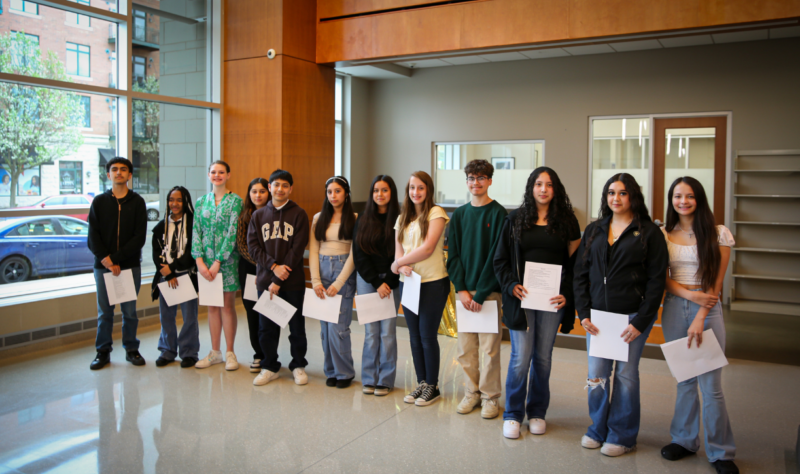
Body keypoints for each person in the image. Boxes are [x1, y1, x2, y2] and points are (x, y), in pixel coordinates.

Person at [573, 173, 668, 457]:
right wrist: (583, 312)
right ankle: (597, 429)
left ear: (633, 197)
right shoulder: (594, 230)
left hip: (631, 318)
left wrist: (641, 320)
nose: (616, 198)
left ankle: (623, 435)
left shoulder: (649, 232)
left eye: (623, 193)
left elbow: (656, 281)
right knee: (596, 376)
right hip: (598, 319)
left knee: (626, 376)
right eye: (611, 192)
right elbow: (580, 273)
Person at [494, 167, 581, 439]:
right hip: (522, 299)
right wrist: (511, 285)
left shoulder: (567, 222)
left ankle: (538, 411)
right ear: (531, 188)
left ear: (556, 190)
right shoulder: (515, 219)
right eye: (539, 184)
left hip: (552, 301)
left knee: (543, 358)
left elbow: (576, 264)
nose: (543, 189)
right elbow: (501, 260)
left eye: (549, 185)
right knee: (521, 357)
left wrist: (567, 292)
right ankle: (513, 413)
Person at [660, 177, 738, 474]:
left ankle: (721, 452)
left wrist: (699, 315)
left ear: (699, 199)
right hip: (674, 307)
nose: (683, 201)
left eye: (689, 196)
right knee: (685, 380)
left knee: (711, 385)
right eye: (677, 196)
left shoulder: (718, 234)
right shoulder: (664, 233)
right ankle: (684, 439)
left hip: (708, 310)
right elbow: (662, 278)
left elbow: (716, 285)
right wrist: (688, 294)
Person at [446, 160, 507, 419]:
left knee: (490, 350)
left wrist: (481, 293)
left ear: (490, 181)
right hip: (464, 294)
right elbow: (453, 256)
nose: (476, 182)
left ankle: (490, 397)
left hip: (488, 293)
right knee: (465, 349)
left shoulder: (499, 214)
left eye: (481, 177)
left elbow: (497, 257)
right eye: (471, 178)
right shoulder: (459, 215)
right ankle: (472, 392)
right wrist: (462, 289)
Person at [247, 169, 310, 386]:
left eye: (285, 185)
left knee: (297, 326)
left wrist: (279, 278)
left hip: (292, 282)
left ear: (290, 188)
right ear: (270, 187)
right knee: (266, 327)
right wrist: (273, 268)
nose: (280, 189)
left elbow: (297, 248)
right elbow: (253, 247)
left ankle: (299, 365)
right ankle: (269, 366)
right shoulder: (258, 215)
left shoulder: (299, 214)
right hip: (266, 281)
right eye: (276, 185)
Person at [392, 171, 450, 407]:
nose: (415, 192)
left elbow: (427, 248)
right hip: (410, 283)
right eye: (412, 188)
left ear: (428, 190)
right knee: (414, 336)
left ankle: (433, 386)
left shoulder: (436, 213)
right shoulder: (402, 217)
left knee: (427, 336)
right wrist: (401, 264)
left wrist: (398, 264)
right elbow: (398, 247)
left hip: (433, 282)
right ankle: (422, 382)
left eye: (420, 188)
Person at [87, 157, 147, 370]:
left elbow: (139, 237)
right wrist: (107, 260)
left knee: (129, 311)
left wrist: (116, 259)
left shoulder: (138, 202)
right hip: (103, 267)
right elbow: (92, 236)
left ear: (130, 175)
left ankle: (131, 349)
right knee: (105, 312)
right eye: (114, 169)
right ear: (108, 174)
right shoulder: (99, 202)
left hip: (129, 266)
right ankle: (102, 351)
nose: (119, 173)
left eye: (123, 170)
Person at [191, 160, 243, 371]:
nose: (217, 175)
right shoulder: (201, 201)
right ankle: (215, 352)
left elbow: (232, 233)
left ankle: (230, 352)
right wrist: (199, 261)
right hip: (205, 265)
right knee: (212, 307)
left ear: (228, 175)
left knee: (227, 306)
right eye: (213, 172)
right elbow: (196, 231)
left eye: (221, 172)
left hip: (227, 262)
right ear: (208, 174)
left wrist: (218, 261)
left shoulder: (235, 201)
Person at [353, 175, 401, 396]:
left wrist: (388, 282)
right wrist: (376, 282)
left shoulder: (401, 219)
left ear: (392, 193)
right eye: (376, 191)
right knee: (371, 332)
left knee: (388, 332)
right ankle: (369, 378)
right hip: (367, 281)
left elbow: (402, 254)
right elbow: (359, 254)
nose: (379, 195)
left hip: (393, 280)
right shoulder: (363, 218)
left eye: (384, 190)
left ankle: (385, 379)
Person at [310, 176, 358, 388]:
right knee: (324, 328)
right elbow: (313, 250)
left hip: (343, 274)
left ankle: (344, 372)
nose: (333, 196)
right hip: (322, 272)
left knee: (338, 328)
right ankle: (331, 371)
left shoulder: (355, 218)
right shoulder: (318, 218)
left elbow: (354, 255)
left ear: (346, 193)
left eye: (337, 191)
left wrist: (339, 283)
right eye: (329, 192)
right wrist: (315, 281)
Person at [151, 186, 200, 368]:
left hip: (186, 275)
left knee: (189, 318)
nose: (175, 203)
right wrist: (167, 272)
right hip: (166, 277)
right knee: (166, 316)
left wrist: (174, 269)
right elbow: (157, 252)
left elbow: (192, 251)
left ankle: (189, 352)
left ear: (185, 201)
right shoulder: (161, 226)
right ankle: (167, 350)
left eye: (179, 200)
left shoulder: (194, 224)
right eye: (171, 200)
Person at [236, 178, 270, 373]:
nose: (258, 195)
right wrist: (260, 263)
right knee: (252, 311)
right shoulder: (244, 216)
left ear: (269, 193)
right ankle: (258, 354)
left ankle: (269, 354)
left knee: (269, 311)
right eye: (254, 191)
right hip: (249, 269)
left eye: (262, 191)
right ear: (249, 194)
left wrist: (267, 265)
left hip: (271, 269)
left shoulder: (275, 215)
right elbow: (241, 245)